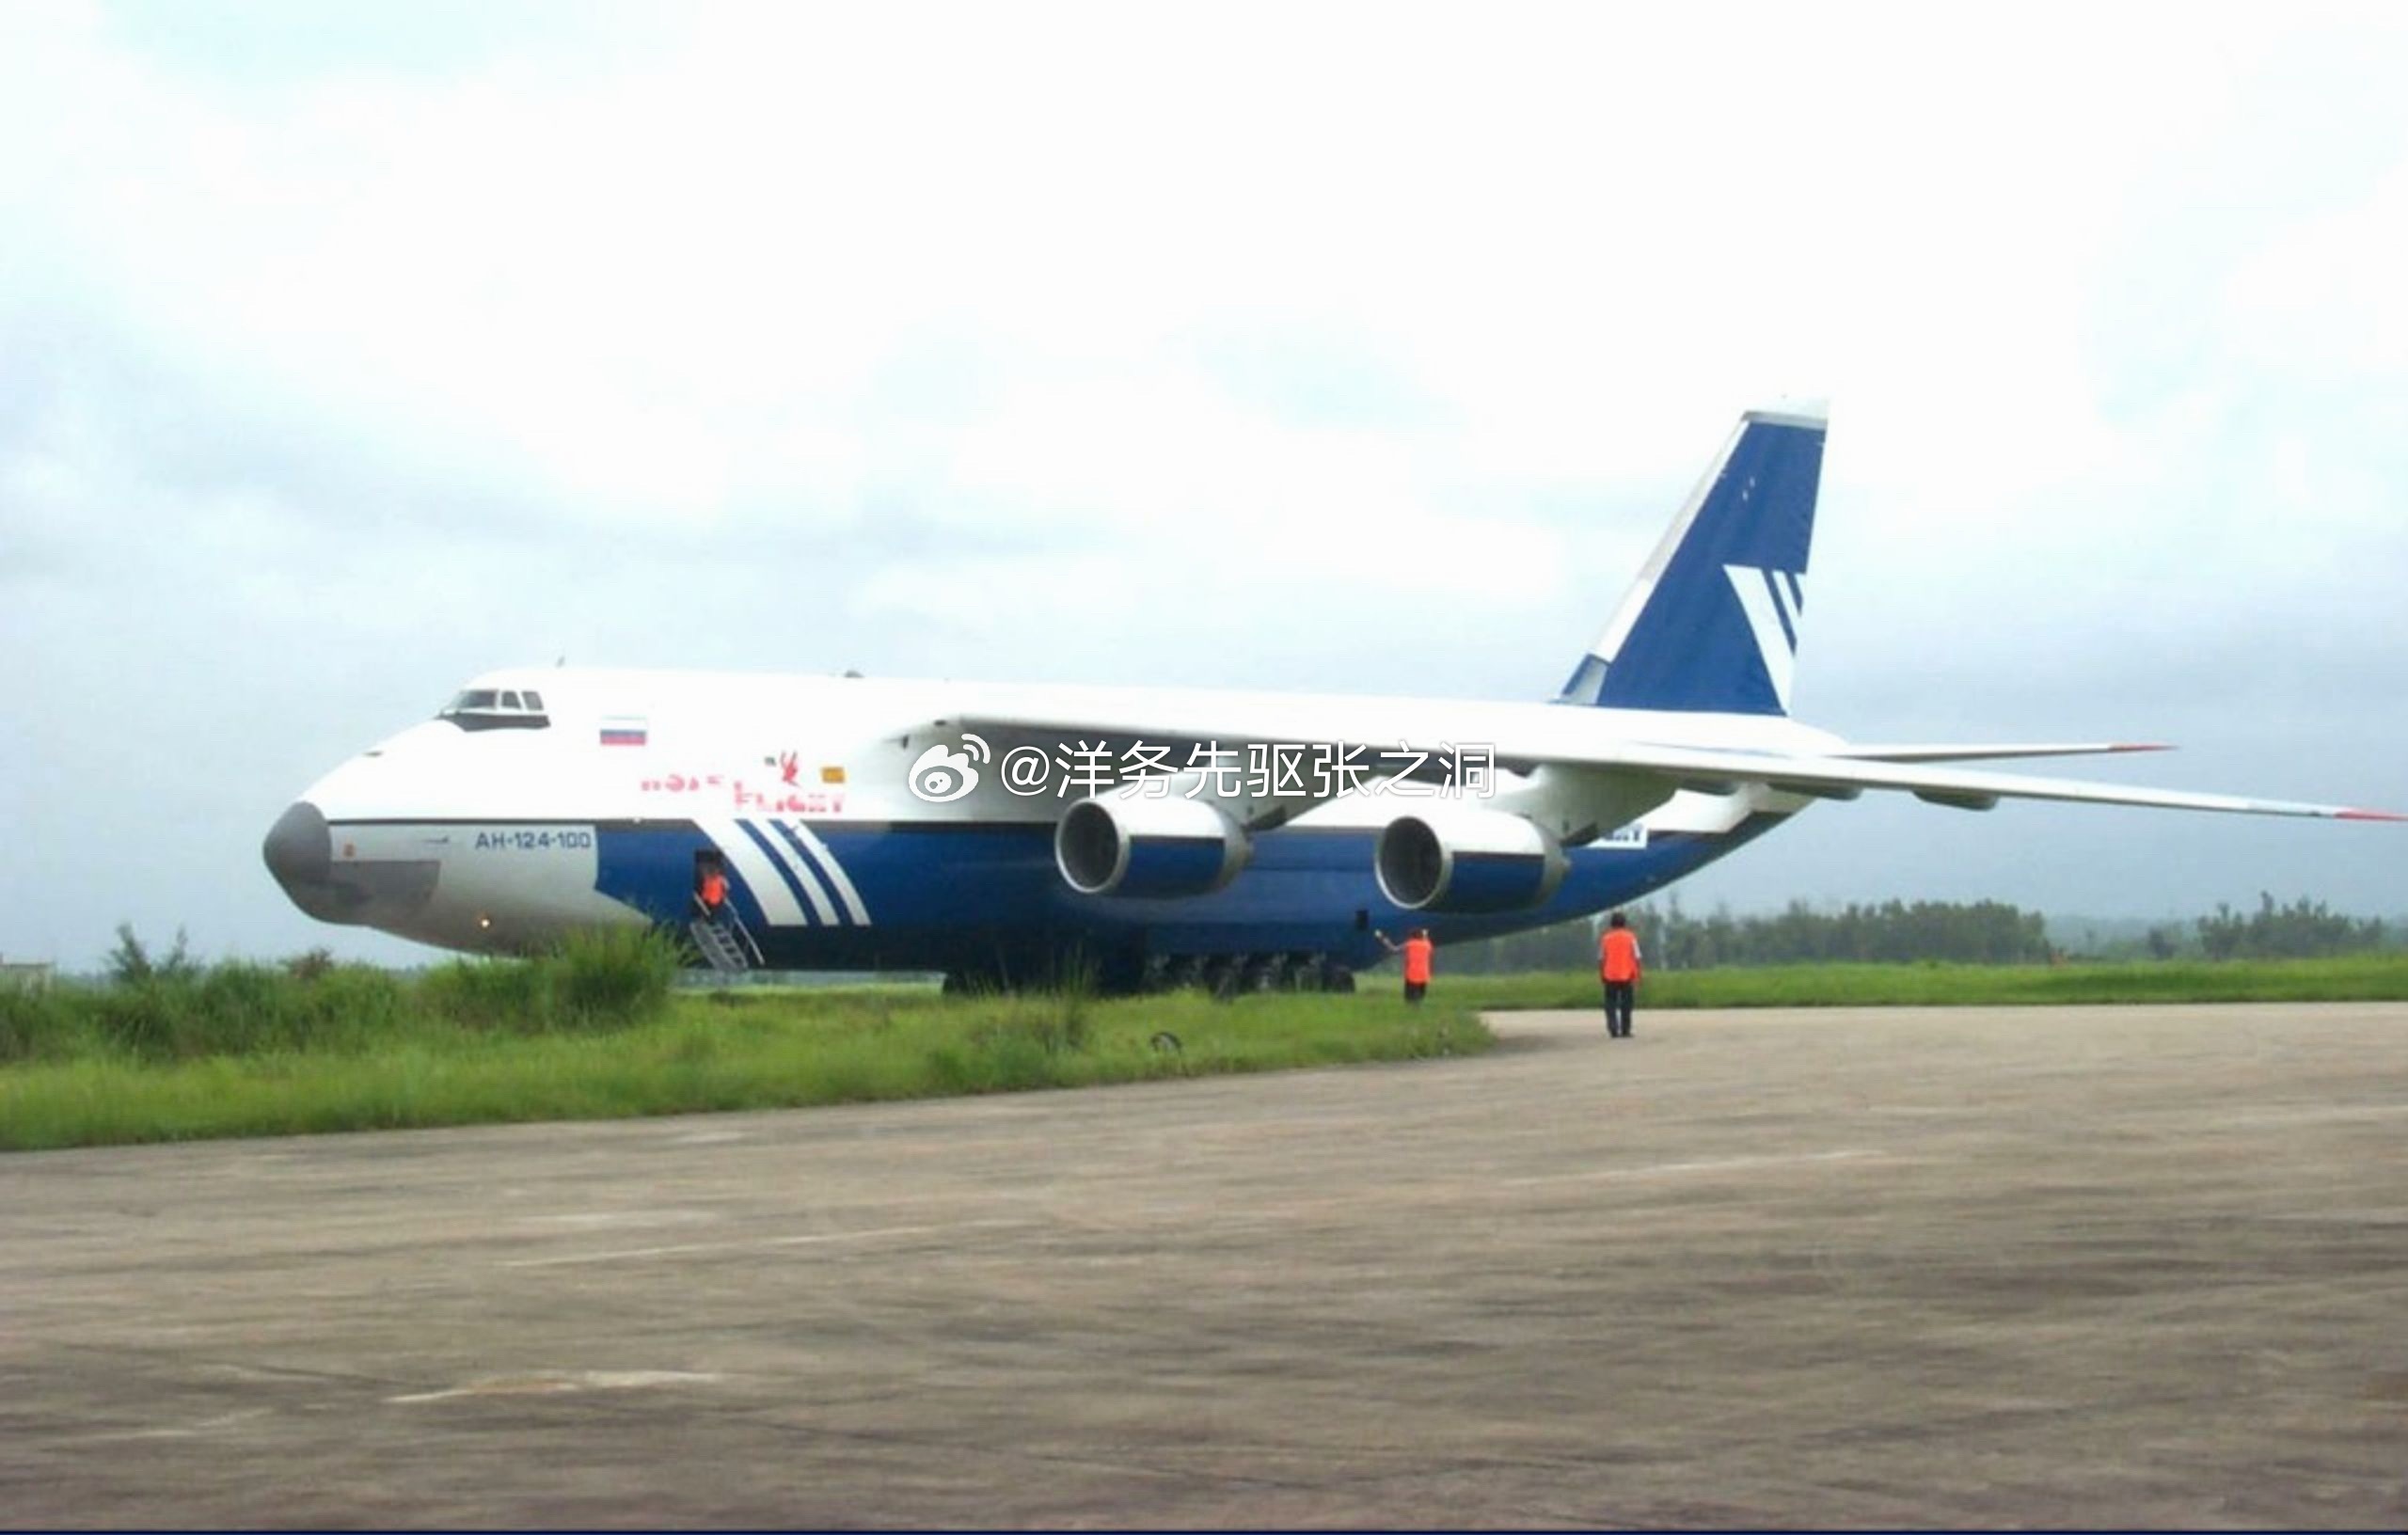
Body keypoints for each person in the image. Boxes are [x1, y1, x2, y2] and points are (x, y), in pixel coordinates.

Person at [1598, 910, 1641, 1038]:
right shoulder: (1631, 937)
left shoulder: (1606, 938)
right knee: (1626, 1004)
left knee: (1610, 1004)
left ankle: (1613, 1028)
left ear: (1612, 924)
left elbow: (1601, 958)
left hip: (1610, 975)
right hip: (1627, 975)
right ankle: (1625, 1030)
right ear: (1624, 923)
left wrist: (1601, 974)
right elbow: (1637, 957)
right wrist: (1638, 975)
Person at [1376, 926, 1435, 1005]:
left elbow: (1394, 949)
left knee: (1410, 998)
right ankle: (1418, 1008)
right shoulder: (1427, 945)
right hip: (1423, 975)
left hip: (1412, 975)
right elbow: (1426, 939)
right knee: (1420, 996)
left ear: (1412, 936)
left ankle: (1412, 1008)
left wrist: (1382, 938)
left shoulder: (1409, 944)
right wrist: (1424, 934)